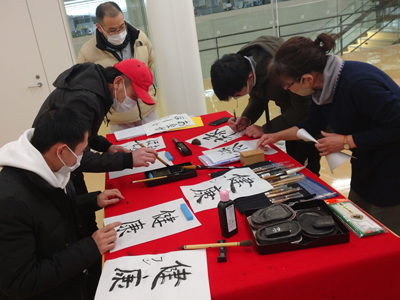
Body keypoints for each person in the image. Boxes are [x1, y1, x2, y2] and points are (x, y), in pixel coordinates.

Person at [256, 33, 400, 235]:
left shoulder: (357, 84)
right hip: (366, 164)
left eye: (287, 85)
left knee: (386, 234)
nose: (286, 89)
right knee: (358, 222)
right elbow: (313, 125)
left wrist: (345, 141)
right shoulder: (321, 88)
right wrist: (278, 136)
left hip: (392, 170)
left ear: (306, 79)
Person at [0, 104, 122, 300]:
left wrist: (94, 200)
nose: (81, 158)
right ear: (62, 151)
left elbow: (53, 212)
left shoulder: (52, 166)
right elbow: (19, 282)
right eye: (81, 151)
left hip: (74, 278)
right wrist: (89, 248)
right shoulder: (11, 203)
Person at [33, 58, 158, 234]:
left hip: (62, 164)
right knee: (78, 223)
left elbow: (85, 134)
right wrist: (128, 159)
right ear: (118, 82)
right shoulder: (84, 99)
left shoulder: (96, 88)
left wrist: (108, 147)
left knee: (83, 213)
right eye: (134, 96)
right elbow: (77, 157)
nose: (133, 102)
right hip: (53, 170)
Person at [210, 35, 322, 175]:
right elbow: (258, 96)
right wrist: (247, 118)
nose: (235, 97)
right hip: (290, 116)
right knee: (292, 161)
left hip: (311, 120)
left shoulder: (281, 70)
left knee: (306, 170)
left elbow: (303, 109)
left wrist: (266, 129)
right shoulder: (243, 65)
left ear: (250, 77)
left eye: (237, 94)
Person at [77, 1, 157, 132]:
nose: (119, 32)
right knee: (124, 152)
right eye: (112, 30)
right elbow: (87, 89)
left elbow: (149, 66)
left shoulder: (140, 38)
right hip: (119, 119)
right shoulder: (87, 54)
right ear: (99, 27)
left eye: (121, 26)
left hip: (147, 111)